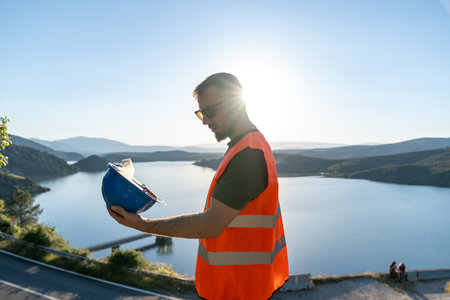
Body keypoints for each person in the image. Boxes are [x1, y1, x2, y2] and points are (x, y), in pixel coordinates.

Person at [107, 72, 289, 299]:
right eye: (201, 113)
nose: (205, 121)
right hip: (240, 286)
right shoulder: (248, 146)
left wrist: (144, 225)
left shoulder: (248, 155)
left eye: (210, 112)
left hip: (238, 289)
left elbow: (210, 225)